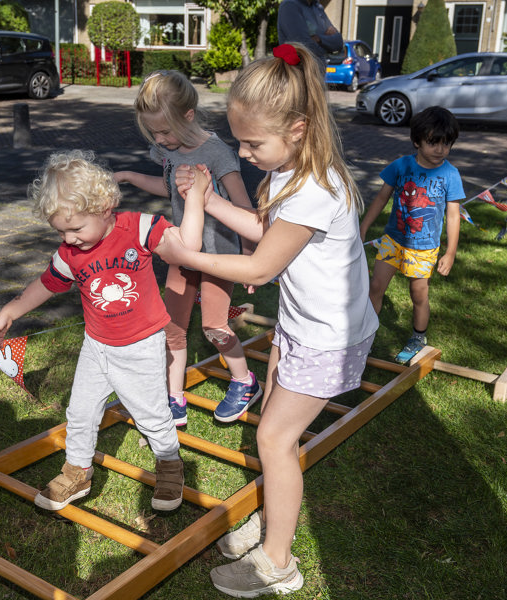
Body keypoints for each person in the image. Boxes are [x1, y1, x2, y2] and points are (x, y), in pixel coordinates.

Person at [163, 43, 378, 598]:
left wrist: (188, 257)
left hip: (327, 338)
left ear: (299, 128)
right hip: (303, 324)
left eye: (253, 142)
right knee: (273, 432)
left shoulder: (312, 188)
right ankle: (272, 520)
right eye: (238, 139)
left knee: (275, 440)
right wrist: (208, 201)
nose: (243, 151)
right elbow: (264, 230)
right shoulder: (294, 172)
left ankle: (277, 561)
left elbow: (260, 262)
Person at [0, 150, 206, 513]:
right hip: (96, 346)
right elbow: (46, 283)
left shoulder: (138, 228)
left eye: (75, 228)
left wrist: (194, 198)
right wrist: (12, 309)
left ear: (105, 207)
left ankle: (170, 464)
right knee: (80, 411)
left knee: (150, 413)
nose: (69, 239)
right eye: (61, 231)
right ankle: (78, 471)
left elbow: (188, 248)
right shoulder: (70, 253)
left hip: (139, 346)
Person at [113, 70, 262, 428]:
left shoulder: (216, 153)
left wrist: (250, 257)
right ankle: (173, 398)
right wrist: (132, 177)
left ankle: (244, 382)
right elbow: (170, 189)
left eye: (165, 131)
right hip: (182, 249)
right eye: (154, 133)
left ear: (188, 116)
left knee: (214, 327)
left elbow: (244, 207)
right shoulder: (167, 149)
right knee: (172, 327)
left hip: (218, 255)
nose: (160, 139)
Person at [359, 105, 464, 364]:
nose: (440, 150)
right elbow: (381, 198)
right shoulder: (401, 166)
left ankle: (418, 337)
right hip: (392, 240)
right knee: (375, 287)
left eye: (446, 144)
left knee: (418, 295)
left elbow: (453, 216)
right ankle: (365, 337)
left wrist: (450, 252)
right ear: (417, 141)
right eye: (433, 143)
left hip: (424, 248)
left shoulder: (450, 174)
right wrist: (362, 228)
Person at [277, 0, 343, 69]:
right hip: (297, 74)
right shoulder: (290, 6)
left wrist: (319, 39)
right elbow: (303, 46)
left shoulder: (317, 7)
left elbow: (339, 42)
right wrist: (327, 45)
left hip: (318, 76)